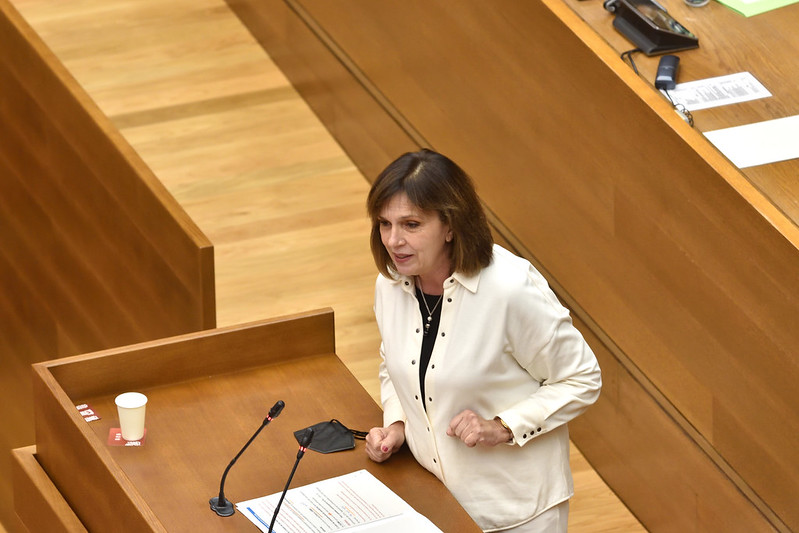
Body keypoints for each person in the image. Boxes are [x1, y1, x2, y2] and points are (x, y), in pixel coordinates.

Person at [363, 149, 602, 532]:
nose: (394, 240)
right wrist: (396, 424)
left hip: (515, 513)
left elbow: (582, 379)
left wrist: (504, 426)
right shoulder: (389, 284)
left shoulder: (510, 289)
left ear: (450, 225)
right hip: (433, 503)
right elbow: (394, 363)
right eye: (384, 224)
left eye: (411, 224)